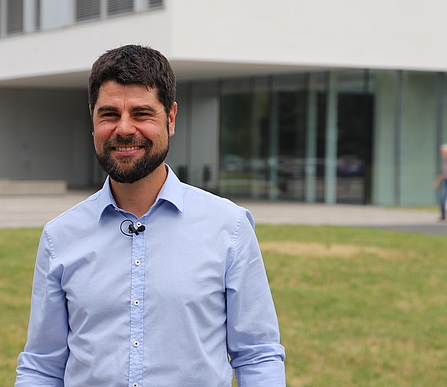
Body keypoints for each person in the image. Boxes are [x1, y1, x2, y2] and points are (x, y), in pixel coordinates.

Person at [15, 44, 285, 387]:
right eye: (109, 114)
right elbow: (42, 367)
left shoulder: (229, 227)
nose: (124, 129)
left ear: (170, 119)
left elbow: (258, 355)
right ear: (92, 118)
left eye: (141, 114)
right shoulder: (59, 236)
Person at [434, 143, 447, 221]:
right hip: (445, 181)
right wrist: (437, 181)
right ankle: (443, 214)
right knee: (443, 197)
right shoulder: (444, 162)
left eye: (444, 152)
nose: (442, 154)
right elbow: (442, 173)